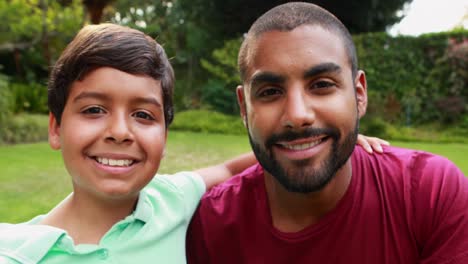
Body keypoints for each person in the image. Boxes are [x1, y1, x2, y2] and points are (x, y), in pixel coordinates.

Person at [0, 23, 385, 263]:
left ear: (165, 137)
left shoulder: (173, 199)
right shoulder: (16, 251)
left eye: (143, 115)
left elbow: (233, 168)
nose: (120, 131)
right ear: (55, 128)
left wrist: (325, 139)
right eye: (94, 110)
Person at [186, 2, 468, 264]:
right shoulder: (211, 226)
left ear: (359, 95)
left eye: (321, 85)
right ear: (244, 108)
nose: (297, 115)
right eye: (270, 92)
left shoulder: (429, 193)